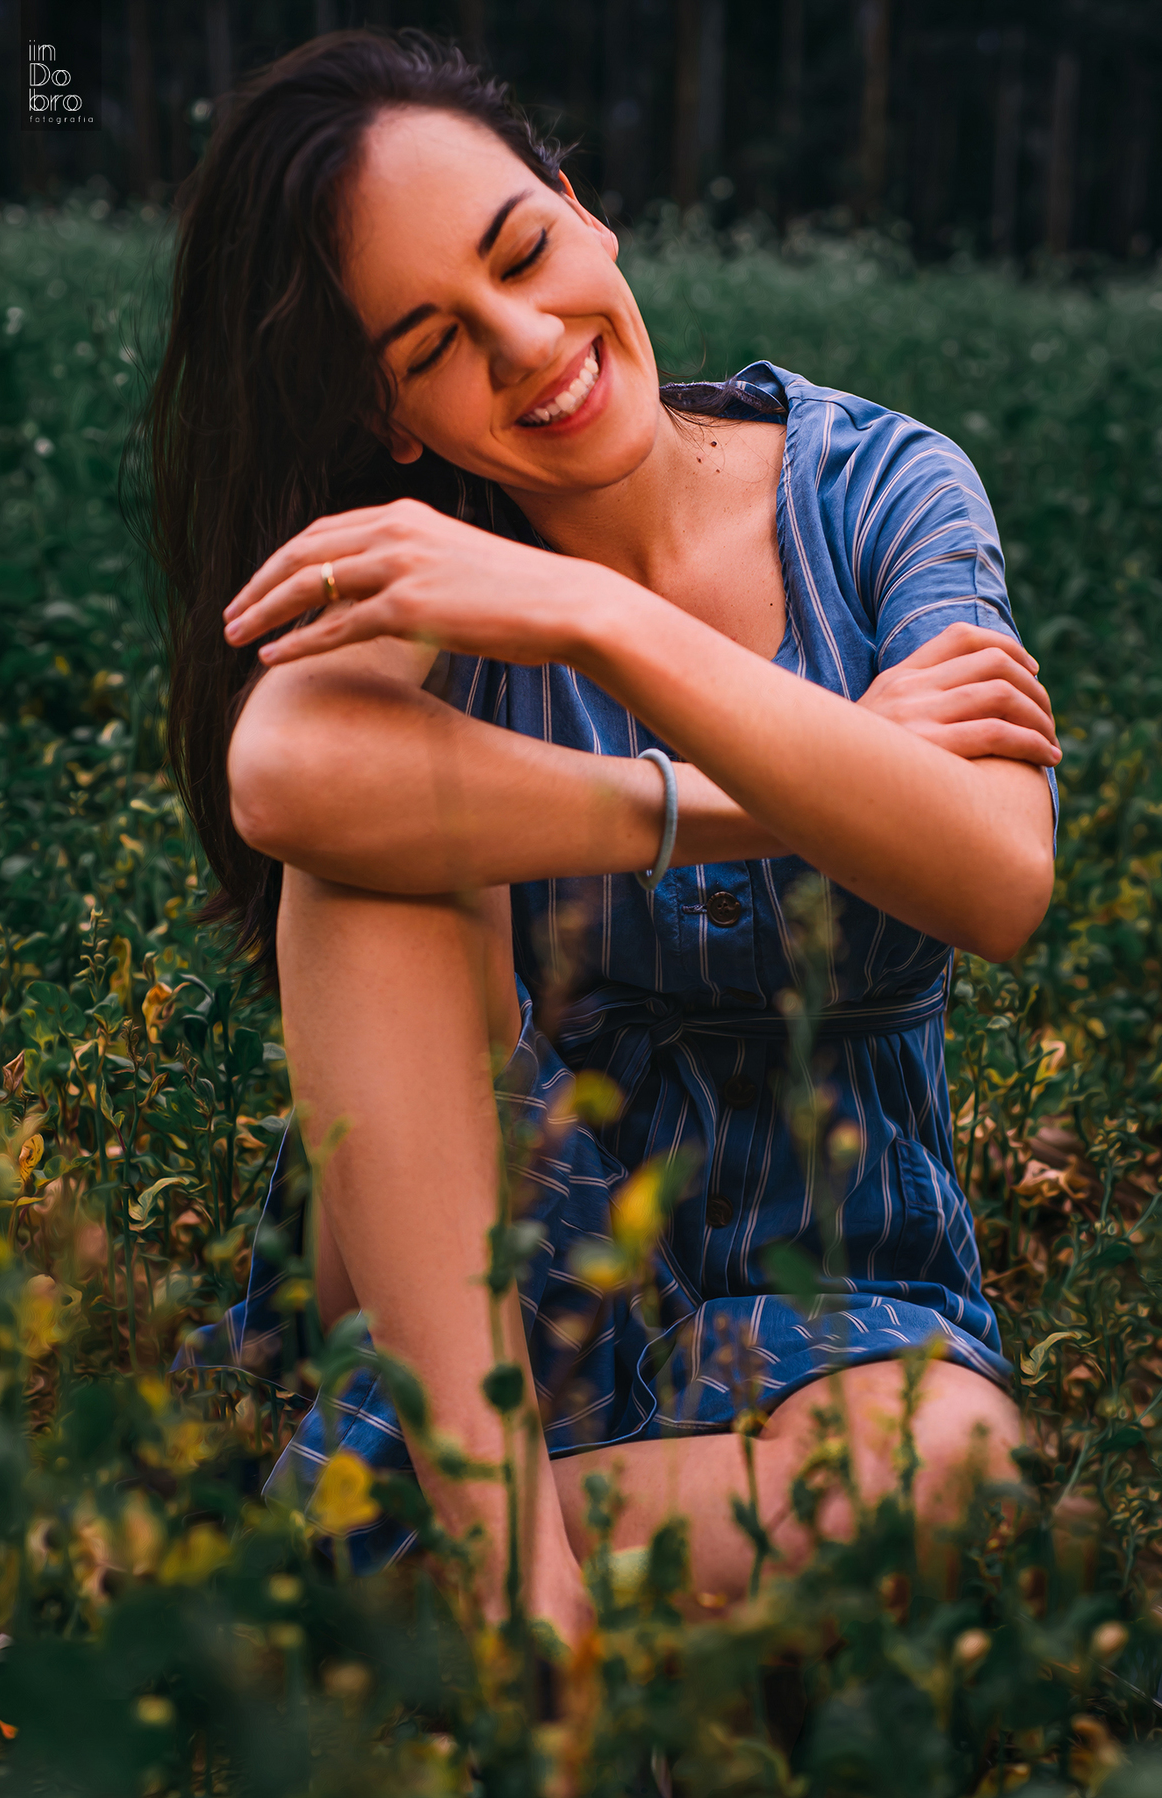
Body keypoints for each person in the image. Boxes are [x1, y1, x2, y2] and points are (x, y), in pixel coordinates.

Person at [146, 31, 1059, 1646]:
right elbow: (282, 772)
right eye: (434, 342)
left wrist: (602, 619)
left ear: (584, 210)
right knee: (371, 849)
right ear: (391, 416)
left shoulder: (879, 487)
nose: (525, 344)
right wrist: (768, 785)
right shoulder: (424, 561)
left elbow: (997, 874)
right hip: (483, 1285)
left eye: (521, 253)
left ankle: (378, 1580)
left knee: (951, 1478)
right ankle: (513, 1588)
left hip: (839, 1290)